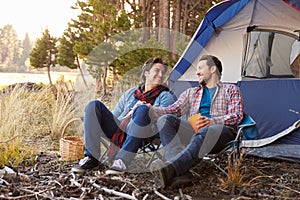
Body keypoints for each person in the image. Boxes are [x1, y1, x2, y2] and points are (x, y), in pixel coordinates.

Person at [147, 55, 244, 188]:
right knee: (165, 120)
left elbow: (237, 115)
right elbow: (173, 110)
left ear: (213, 69)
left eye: (200, 68)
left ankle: (172, 168)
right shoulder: (191, 92)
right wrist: (153, 109)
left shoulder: (231, 90)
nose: (197, 72)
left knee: (207, 130)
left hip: (220, 132)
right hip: (194, 130)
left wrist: (213, 121)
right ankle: (179, 172)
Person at [71, 57, 175, 174]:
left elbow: (166, 120)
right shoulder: (131, 93)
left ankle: (121, 160)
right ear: (146, 73)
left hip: (143, 132)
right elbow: (115, 116)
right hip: (120, 129)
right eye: (157, 71)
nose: (161, 75)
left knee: (142, 109)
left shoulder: (165, 96)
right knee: (93, 105)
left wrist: (147, 109)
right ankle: (91, 158)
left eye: (163, 72)